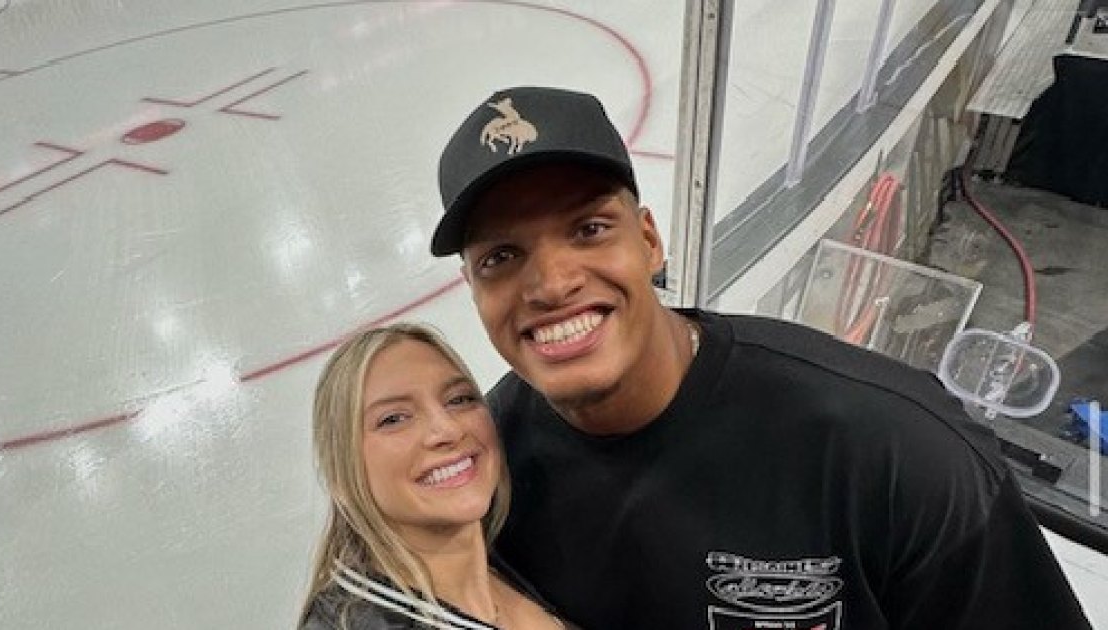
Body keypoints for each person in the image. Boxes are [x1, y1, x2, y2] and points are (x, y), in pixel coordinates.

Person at [429, 86, 1093, 629]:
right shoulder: (487, 467)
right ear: (473, 289)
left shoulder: (897, 453)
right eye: (501, 257)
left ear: (650, 242)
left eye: (589, 229)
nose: (550, 284)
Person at [301, 323, 575, 629]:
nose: (447, 430)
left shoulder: (516, 557)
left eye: (459, 399)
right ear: (342, 463)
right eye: (394, 419)